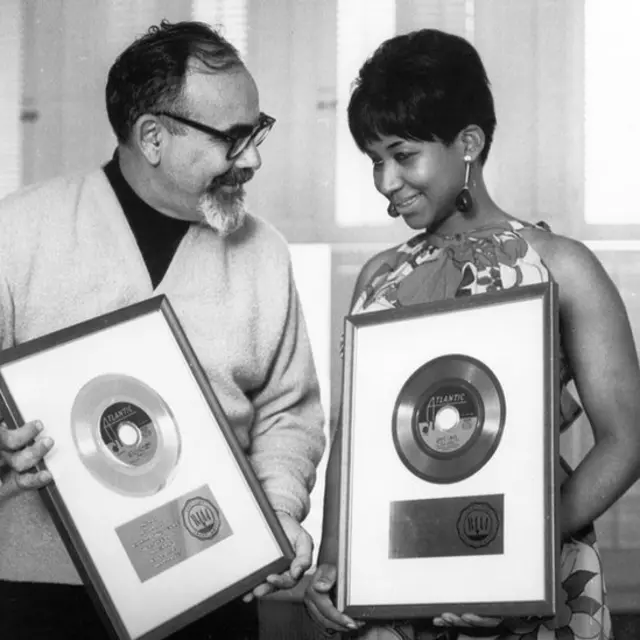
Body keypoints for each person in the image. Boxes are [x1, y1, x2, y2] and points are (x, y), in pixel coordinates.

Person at [305, 28, 640, 640]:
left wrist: (522, 555)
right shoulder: (379, 277)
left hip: (531, 578)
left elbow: (627, 439)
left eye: (402, 155)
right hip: (395, 585)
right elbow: (351, 440)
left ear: (469, 142)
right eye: (374, 160)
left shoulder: (563, 265)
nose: (384, 181)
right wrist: (334, 564)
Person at [0, 20, 325, 639]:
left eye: (258, 131)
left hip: (219, 582)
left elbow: (289, 412)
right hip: (40, 595)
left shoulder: (265, 253)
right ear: (153, 136)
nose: (253, 157)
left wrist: (280, 511)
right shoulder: (15, 234)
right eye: (234, 138)